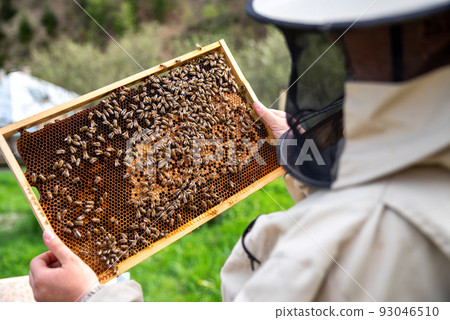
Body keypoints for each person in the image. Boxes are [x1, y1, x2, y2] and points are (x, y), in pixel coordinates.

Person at [29, 0, 450, 301]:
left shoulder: (361, 239)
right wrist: (303, 152)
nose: (332, 38)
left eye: (349, 24)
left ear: (430, 29)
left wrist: (89, 304)